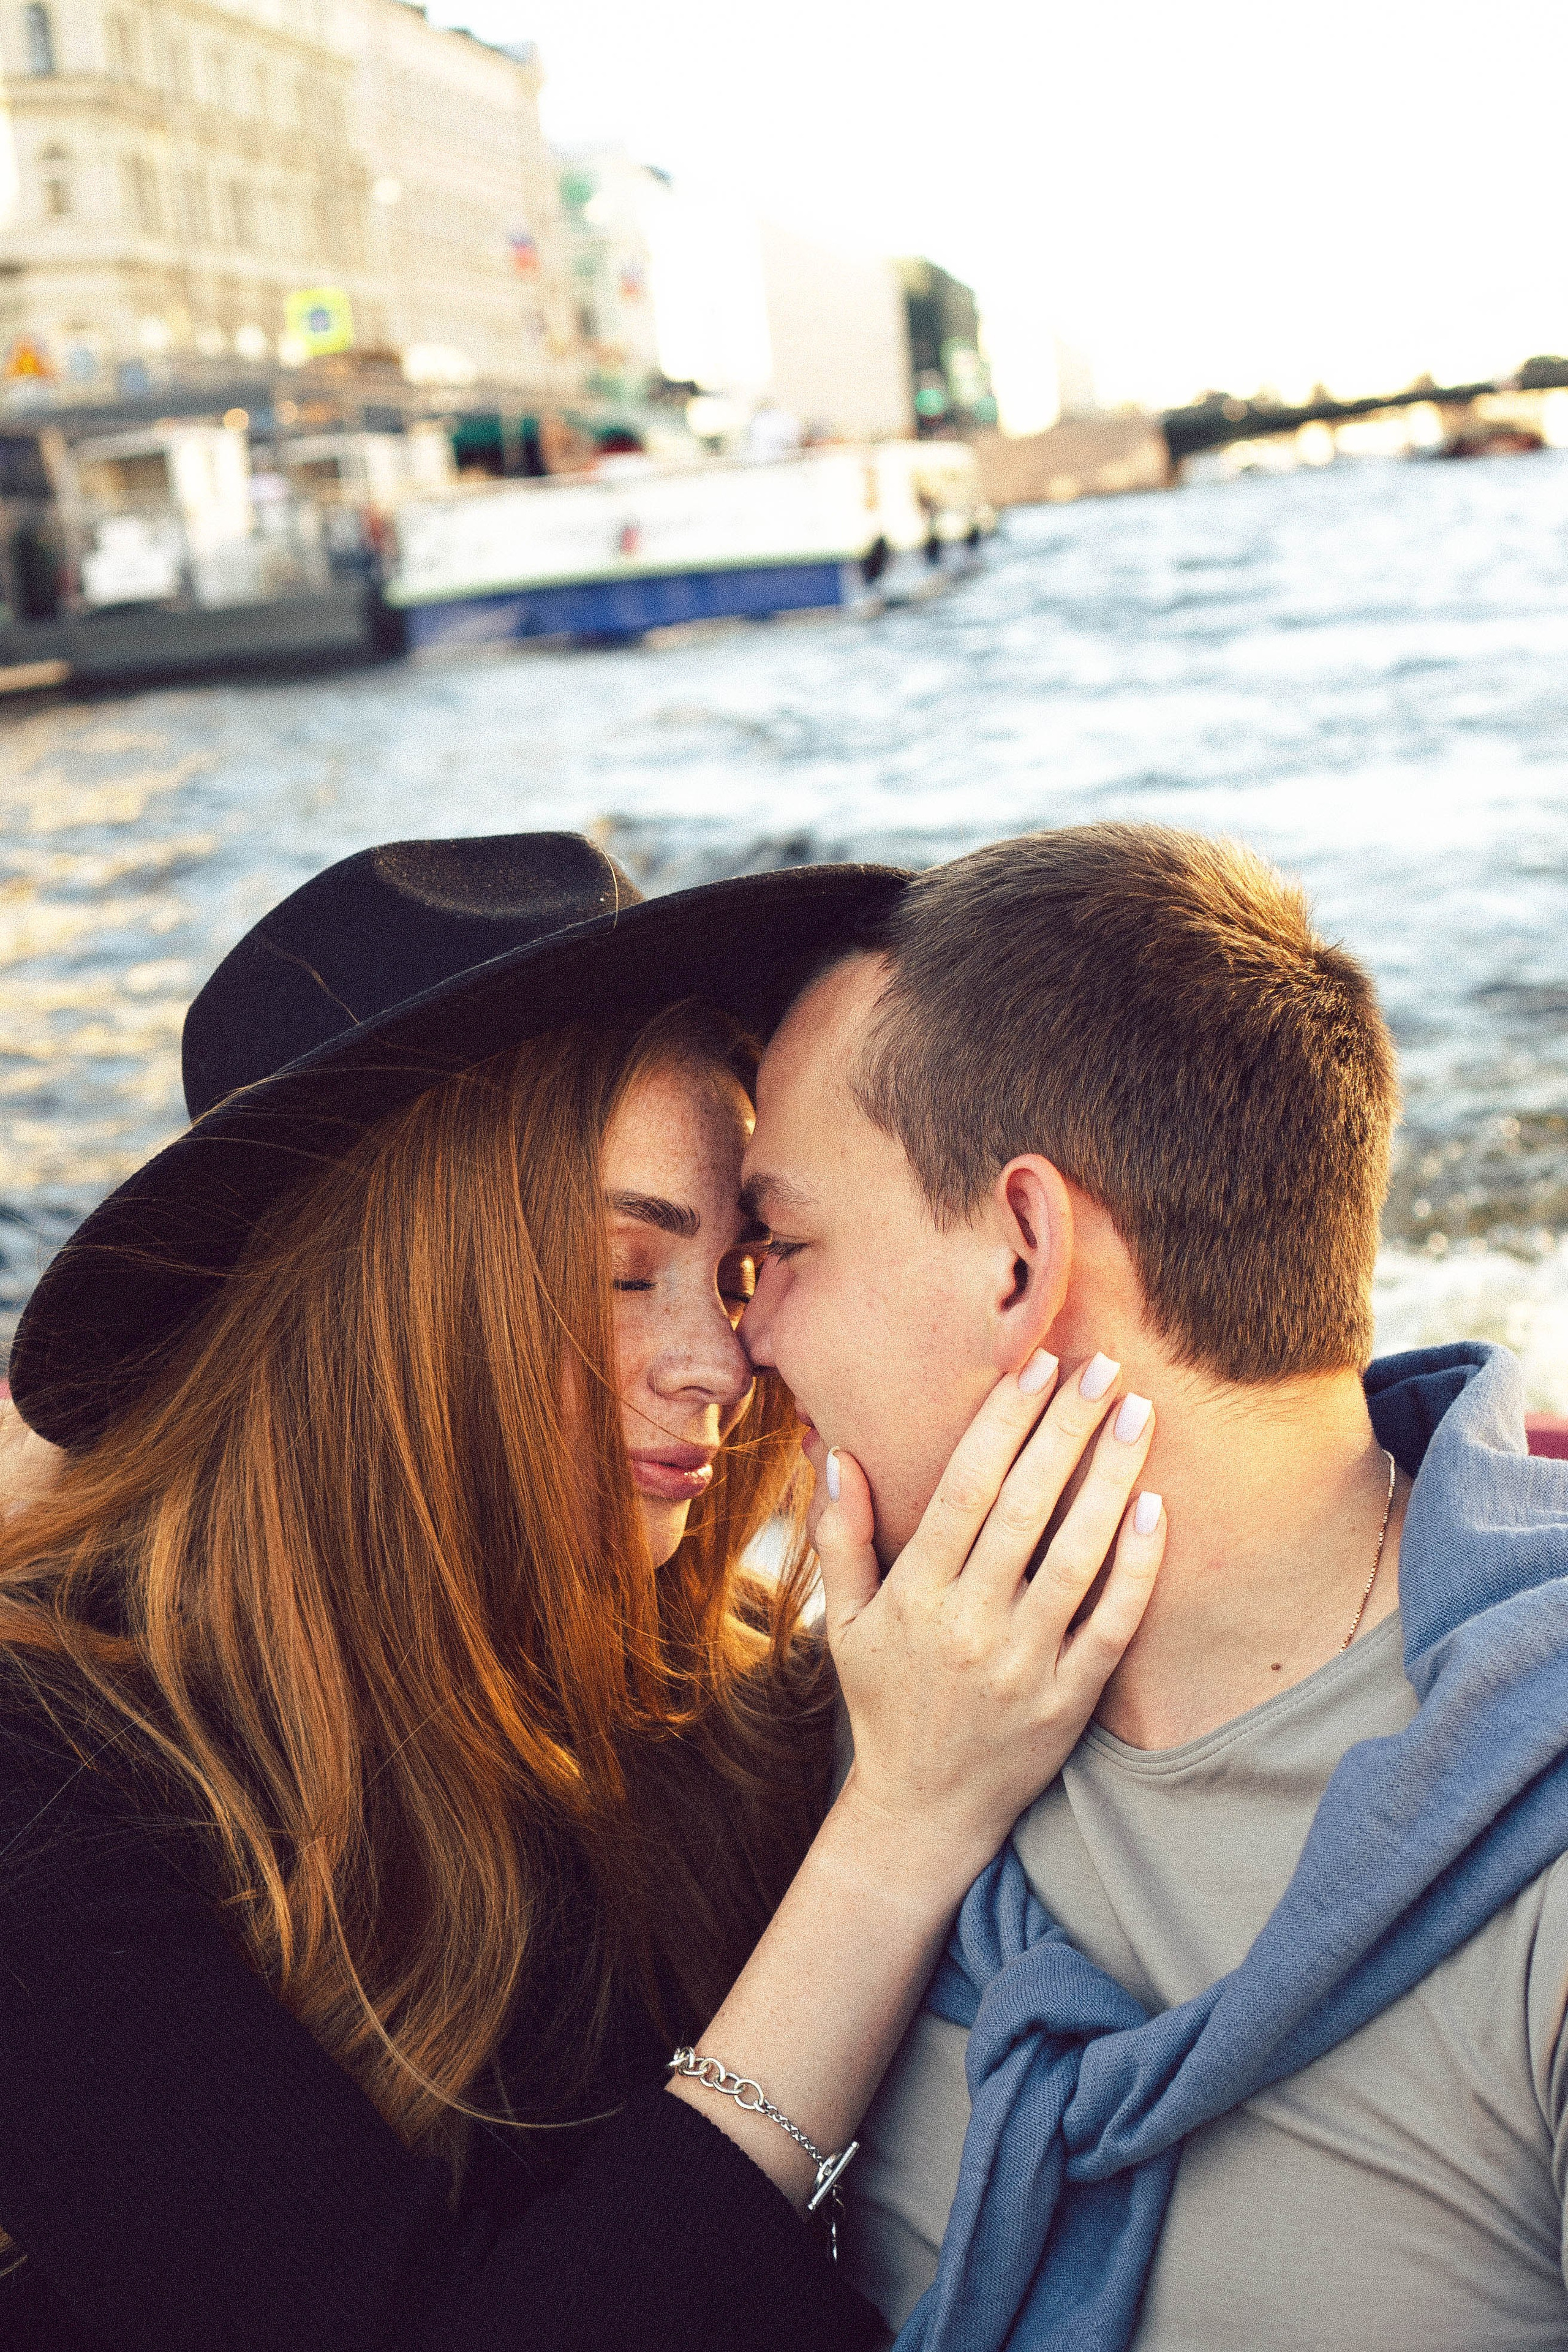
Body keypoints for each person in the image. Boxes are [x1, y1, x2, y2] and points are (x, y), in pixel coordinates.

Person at [0, 831, 1167, 2352]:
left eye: (741, 1271)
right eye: (625, 1275)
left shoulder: (750, 1712)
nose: (720, 1362)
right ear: (373, 1302)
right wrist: (901, 1838)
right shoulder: (53, 1775)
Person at [736, 821, 1568, 2351]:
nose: (748, 1333)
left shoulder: (1540, 1832)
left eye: (781, 1244)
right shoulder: (856, 1724)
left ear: (1020, 1255)